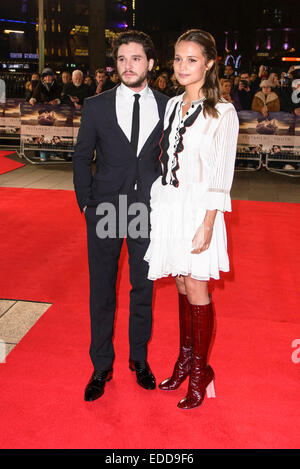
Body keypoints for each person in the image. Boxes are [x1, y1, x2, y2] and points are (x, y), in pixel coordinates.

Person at [144, 29, 239, 410]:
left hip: (200, 209)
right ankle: (185, 360)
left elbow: (221, 174)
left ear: (210, 63)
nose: (183, 66)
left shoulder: (224, 112)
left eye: (192, 59)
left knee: (198, 288)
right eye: (179, 59)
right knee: (182, 282)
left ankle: (201, 372)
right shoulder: (171, 105)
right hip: (171, 204)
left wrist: (208, 222)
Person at [73, 30, 169, 402]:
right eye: (123, 59)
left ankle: (139, 359)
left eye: (136, 59)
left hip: (147, 209)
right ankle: (101, 365)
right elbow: (83, 156)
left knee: (143, 289)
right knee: (102, 290)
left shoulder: (168, 106)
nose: (129, 66)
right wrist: (85, 203)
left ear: (149, 62)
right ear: (116, 64)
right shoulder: (95, 105)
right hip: (105, 208)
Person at [29, 68, 62, 162]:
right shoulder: (40, 85)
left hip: (53, 112)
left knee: (53, 133)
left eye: (50, 76)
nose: (48, 78)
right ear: (43, 78)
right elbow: (35, 96)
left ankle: (53, 154)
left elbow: (60, 97)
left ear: (52, 77)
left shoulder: (57, 85)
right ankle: (43, 154)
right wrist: (32, 100)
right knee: (43, 133)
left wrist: (56, 101)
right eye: (46, 76)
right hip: (42, 112)